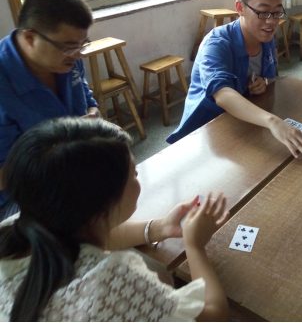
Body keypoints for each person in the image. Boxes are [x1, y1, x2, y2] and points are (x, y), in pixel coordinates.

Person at [0, 117, 230, 322]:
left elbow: (89, 239)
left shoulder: (19, 225)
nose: (138, 176)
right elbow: (215, 316)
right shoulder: (111, 279)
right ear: (103, 203)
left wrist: (159, 227)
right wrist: (195, 247)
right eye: (134, 174)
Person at [167, 0, 302, 158]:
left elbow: (271, 78)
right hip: (204, 133)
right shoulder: (216, 44)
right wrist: (272, 121)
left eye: (277, 12)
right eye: (263, 12)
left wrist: (263, 81)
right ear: (240, 8)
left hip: (243, 124)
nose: (271, 22)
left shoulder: (266, 39)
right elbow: (222, 94)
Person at [0, 0, 100, 220]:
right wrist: (67, 148)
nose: (78, 55)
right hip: (17, 198)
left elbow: (88, 101)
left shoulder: (66, 59)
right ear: (30, 38)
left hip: (70, 173)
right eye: (69, 47)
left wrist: (93, 116)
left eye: (83, 44)